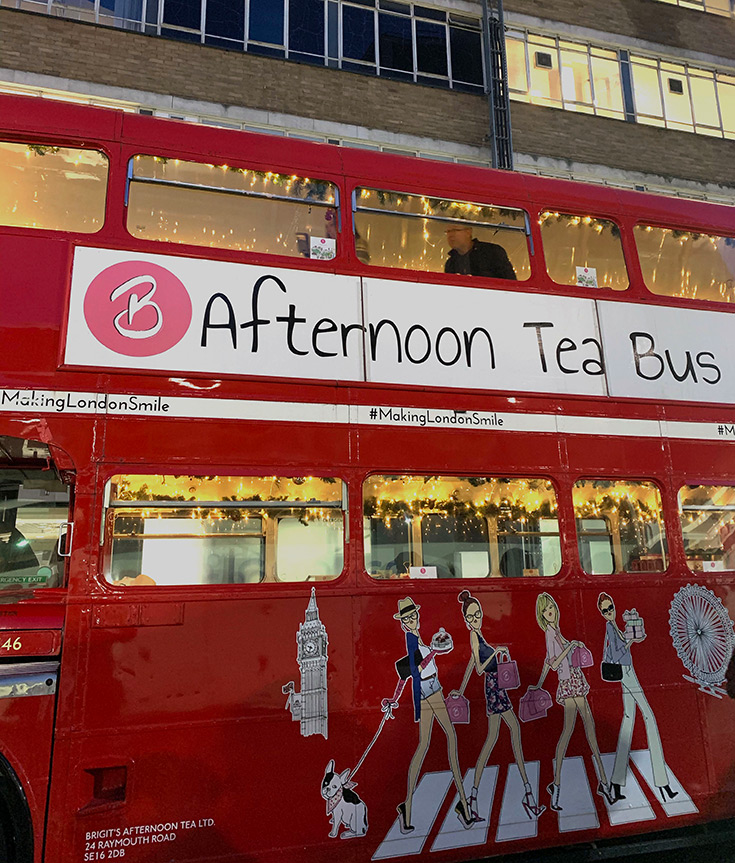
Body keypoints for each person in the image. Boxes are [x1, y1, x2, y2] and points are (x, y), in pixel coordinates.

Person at [382, 597, 474, 833]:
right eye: (407, 618)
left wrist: (393, 699)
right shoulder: (411, 639)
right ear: (402, 623)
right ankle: (462, 806)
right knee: (447, 741)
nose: (412, 620)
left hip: (433, 690)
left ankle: (409, 808)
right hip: (429, 692)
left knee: (426, 745)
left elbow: (406, 675)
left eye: (414, 616)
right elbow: (415, 670)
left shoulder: (418, 638)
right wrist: (433, 652)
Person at [451, 590, 544, 821]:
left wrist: (460, 690)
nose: (476, 619)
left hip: (496, 689)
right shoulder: (474, 636)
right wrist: (498, 652)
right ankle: (527, 795)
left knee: (494, 739)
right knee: (511, 733)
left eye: (478, 614)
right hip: (493, 689)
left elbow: (472, 664)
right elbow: (481, 668)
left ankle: (471, 798)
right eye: (471, 617)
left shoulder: (479, 635)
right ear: (466, 620)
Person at [530, 592, 613, 811]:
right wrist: (570, 646)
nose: (552, 612)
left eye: (553, 607)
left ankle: (559, 786)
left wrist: (538, 684)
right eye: (547, 610)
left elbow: (548, 662)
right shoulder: (550, 632)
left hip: (574, 680)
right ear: (542, 614)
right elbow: (555, 662)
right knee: (583, 730)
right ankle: (595, 783)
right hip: (569, 684)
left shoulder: (555, 631)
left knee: (579, 731)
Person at [598, 593, 677, 803]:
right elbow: (615, 654)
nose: (609, 612)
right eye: (605, 610)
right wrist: (630, 641)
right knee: (649, 717)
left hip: (627, 671)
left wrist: (631, 638)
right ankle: (663, 783)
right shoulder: (609, 627)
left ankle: (616, 783)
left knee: (628, 720)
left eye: (610, 608)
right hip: (626, 672)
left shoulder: (614, 626)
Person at [444, 225, 516, 280]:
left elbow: (511, 283)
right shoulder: (450, 263)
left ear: (468, 232)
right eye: (448, 231)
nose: (450, 235)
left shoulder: (492, 252)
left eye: (454, 230)